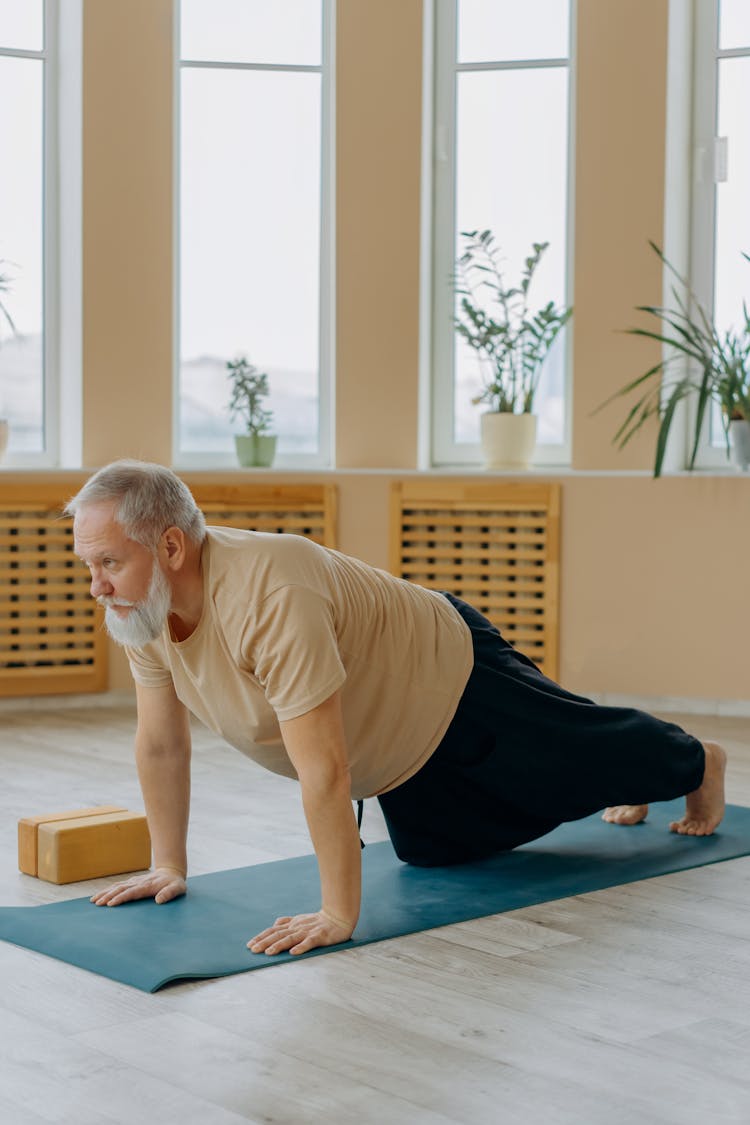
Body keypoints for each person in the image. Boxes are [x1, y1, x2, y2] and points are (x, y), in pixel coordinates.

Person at [65, 460, 727, 958]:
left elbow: (323, 764)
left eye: (108, 562)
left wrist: (336, 911)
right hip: (399, 753)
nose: (96, 586)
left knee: (581, 753)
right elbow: (160, 743)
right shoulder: (144, 610)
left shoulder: (269, 588)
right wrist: (168, 864)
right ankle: (625, 775)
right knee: (434, 853)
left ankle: (696, 763)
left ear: (172, 547)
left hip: (453, 676)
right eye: (87, 564)